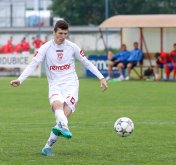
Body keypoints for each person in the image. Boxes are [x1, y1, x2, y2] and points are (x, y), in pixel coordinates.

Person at [10, 20, 108, 156]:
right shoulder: (45, 48)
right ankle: (64, 126)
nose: (62, 36)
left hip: (71, 84)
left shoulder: (72, 47)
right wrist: (20, 79)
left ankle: (47, 147)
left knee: (64, 115)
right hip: (55, 84)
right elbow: (33, 64)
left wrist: (101, 77)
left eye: (65, 33)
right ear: (54, 32)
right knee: (58, 106)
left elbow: (86, 62)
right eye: (60, 33)